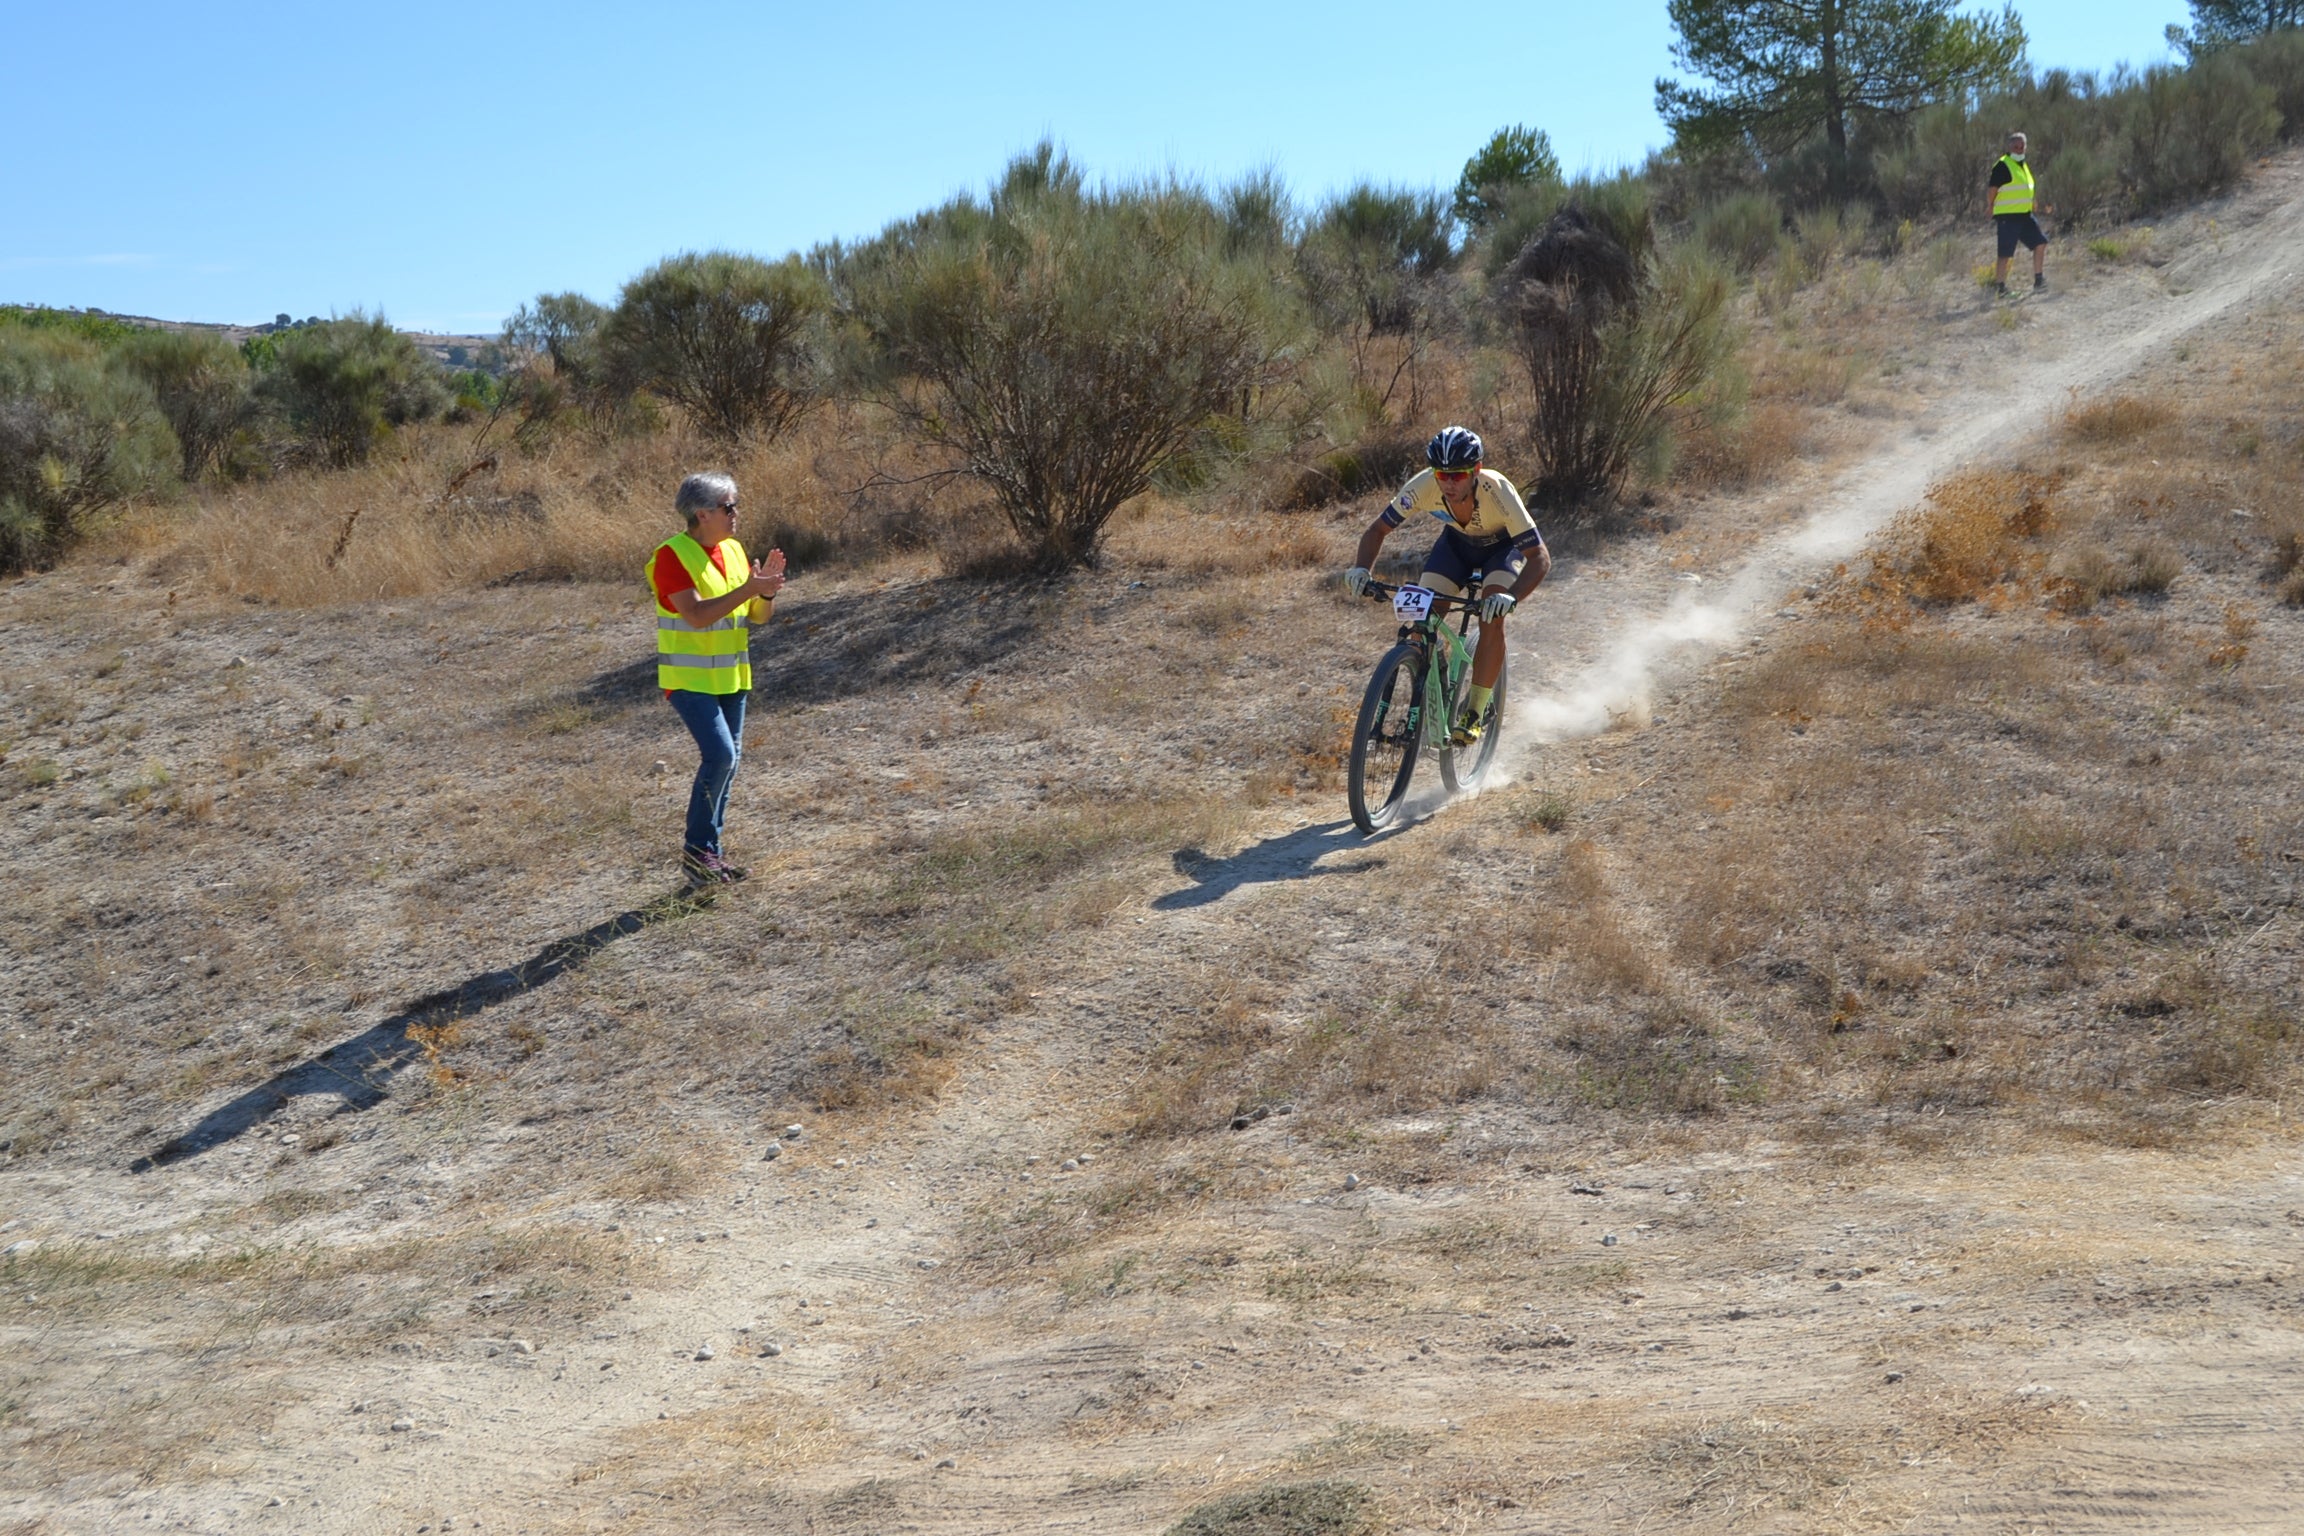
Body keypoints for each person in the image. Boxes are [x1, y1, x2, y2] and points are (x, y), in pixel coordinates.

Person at [1342, 426, 1550, 746]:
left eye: (1457, 476)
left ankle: (1475, 712)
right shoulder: (1424, 486)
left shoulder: (1499, 490)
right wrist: (1360, 569)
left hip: (1501, 550)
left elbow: (1539, 557)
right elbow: (1377, 530)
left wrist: (1511, 597)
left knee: (1491, 615)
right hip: (1455, 547)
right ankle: (1430, 679)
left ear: (1476, 471)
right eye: (1442, 474)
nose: (1448, 483)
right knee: (1423, 621)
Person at [648, 472, 786, 887]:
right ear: (702, 513)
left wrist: (765, 593)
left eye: (735, 505)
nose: (736, 514)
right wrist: (749, 589)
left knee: (728, 763)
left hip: (731, 679)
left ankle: (710, 855)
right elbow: (696, 614)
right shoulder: (671, 556)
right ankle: (697, 852)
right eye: (729, 506)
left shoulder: (735, 550)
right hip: (688, 681)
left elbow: (758, 618)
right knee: (721, 757)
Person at [1989, 131, 2049, 297]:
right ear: (2009, 147)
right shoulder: (2002, 165)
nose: (2019, 149)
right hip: (2008, 216)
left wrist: (2033, 202)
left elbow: (2026, 187)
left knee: (2040, 243)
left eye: (2022, 146)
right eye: (2016, 146)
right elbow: (1992, 189)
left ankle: (2039, 280)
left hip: (2024, 215)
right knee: (2005, 253)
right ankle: (2000, 288)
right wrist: (1990, 205)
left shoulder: (2023, 165)